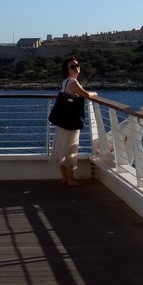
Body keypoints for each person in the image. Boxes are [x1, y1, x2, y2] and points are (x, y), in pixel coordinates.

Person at [49, 56, 97, 187]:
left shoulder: (65, 81)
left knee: (62, 148)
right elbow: (85, 95)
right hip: (70, 121)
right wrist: (94, 93)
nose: (76, 68)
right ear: (67, 69)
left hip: (64, 121)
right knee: (70, 149)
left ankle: (65, 178)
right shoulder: (72, 82)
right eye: (73, 66)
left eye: (77, 65)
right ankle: (71, 180)